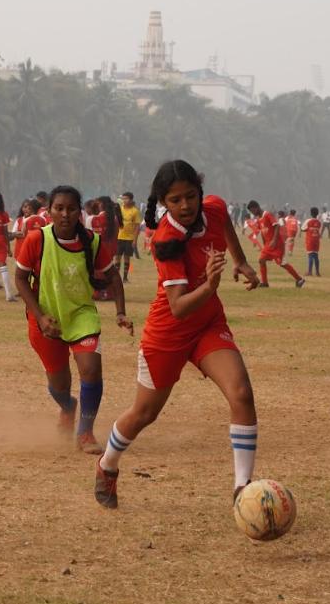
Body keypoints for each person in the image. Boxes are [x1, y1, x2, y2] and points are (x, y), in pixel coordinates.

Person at [94, 159, 261, 509]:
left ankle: (242, 490)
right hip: (167, 334)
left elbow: (225, 224)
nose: (185, 205)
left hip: (207, 325)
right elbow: (179, 306)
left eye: (190, 196)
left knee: (241, 393)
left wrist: (241, 261)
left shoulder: (212, 207)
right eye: (174, 200)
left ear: (200, 193)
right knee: (144, 414)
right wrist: (212, 284)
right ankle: (107, 465)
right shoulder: (166, 240)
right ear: (162, 202)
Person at [13, 185, 133, 455]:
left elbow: (113, 277)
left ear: (80, 212)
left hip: (81, 316)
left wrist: (120, 312)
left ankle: (86, 432)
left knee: (91, 368)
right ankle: (68, 406)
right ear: (49, 211)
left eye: (71, 208)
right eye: (59, 208)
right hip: (46, 320)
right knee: (59, 386)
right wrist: (39, 316)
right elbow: (20, 278)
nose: (65, 214)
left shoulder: (91, 241)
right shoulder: (37, 239)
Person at [248, 200, 304, 288]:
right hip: (268, 245)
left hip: (277, 244)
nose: (252, 213)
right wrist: (264, 243)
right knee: (261, 260)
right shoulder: (259, 219)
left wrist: (274, 240)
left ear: (257, 207)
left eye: (252, 211)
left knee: (282, 263)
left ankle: (299, 279)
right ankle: (264, 282)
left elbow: (277, 225)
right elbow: (263, 232)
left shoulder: (267, 214)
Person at [117, 192, 142, 279]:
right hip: (119, 237)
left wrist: (135, 240)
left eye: (126, 198)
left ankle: (125, 277)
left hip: (129, 238)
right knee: (117, 257)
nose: (124, 200)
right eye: (123, 199)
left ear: (131, 199)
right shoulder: (119, 209)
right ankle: (117, 277)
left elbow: (137, 227)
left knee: (127, 258)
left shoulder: (135, 211)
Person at [302, 206, 322, 276]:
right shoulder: (319, 222)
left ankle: (309, 272)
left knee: (310, 255)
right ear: (317, 213)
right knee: (316, 256)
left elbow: (303, 229)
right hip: (316, 240)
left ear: (310, 213)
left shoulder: (308, 221)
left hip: (310, 240)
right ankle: (317, 272)